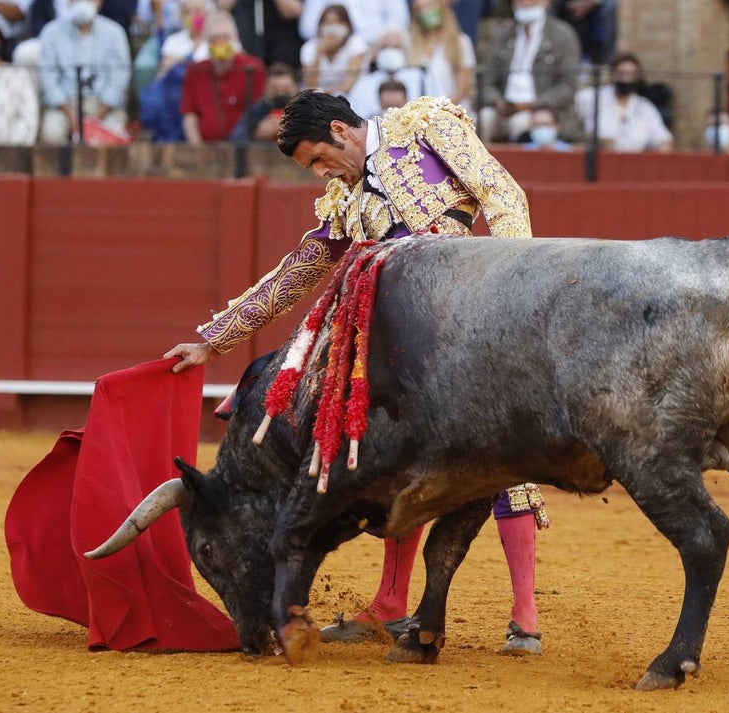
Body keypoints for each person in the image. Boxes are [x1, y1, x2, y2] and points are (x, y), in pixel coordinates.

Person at [163, 89, 546, 656]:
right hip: (398, 347)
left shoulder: (425, 127)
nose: (321, 173)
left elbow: (502, 193)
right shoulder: (344, 198)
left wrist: (513, 293)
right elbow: (299, 269)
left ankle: (525, 618)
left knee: (505, 457)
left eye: (319, 159)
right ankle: (391, 602)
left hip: (471, 321)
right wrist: (214, 340)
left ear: (342, 131)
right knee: (395, 463)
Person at [478, 0, 581, 143]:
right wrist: (497, 101)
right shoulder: (503, 34)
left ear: (546, 2)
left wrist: (539, 105)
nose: (525, 3)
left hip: (540, 108)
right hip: (503, 107)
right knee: (484, 118)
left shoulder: (563, 35)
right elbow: (487, 81)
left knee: (520, 123)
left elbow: (568, 85)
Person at [37, 0, 131, 144]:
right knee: (52, 135)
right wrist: (71, 117)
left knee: (107, 142)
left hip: (103, 105)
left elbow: (119, 80)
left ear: (100, 2)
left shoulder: (115, 32)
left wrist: (95, 120)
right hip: (65, 105)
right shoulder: (51, 32)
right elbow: (48, 80)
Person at [180, 10, 265, 144]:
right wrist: (197, 148)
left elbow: (259, 112)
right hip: (206, 148)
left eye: (225, 38)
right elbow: (189, 114)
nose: (220, 43)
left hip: (243, 148)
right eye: (214, 39)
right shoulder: (196, 70)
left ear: (234, 39)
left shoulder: (252, 68)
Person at [574, 51, 671, 152]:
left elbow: (664, 140)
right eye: (622, 74)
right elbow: (571, 130)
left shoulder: (645, 107)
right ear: (613, 75)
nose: (626, 79)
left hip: (633, 162)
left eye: (631, 74)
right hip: (598, 160)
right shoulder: (590, 97)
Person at [345, 29, 437, 121]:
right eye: (385, 47)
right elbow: (354, 117)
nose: (390, 51)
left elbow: (436, 109)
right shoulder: (365, 82)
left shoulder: (421, 77)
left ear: (405, 51)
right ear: (377, 52)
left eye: (396, 47)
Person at [407, 0, 475, 112]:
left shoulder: (461, 42)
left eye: (429, 5)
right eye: (419, 9)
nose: (425, 12)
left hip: (452, 111)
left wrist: (440, 110)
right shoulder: (411, 44)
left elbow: (463, 89)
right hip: (417, 114)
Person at [299, 4, 367, 95]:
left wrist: (323, 92)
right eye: (327, 23)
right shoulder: (309, 48)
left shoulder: (356, 44)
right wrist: (319, 53)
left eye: (338, 22)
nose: (332, 28)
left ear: (347, 25)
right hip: (318, 100)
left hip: (351, 97)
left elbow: (349, 85)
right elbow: (311, 84)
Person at [298, 0, 410, 47]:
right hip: (335, 49)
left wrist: (378, 45)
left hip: (377, 51)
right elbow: (307, 27)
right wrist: (334, 36)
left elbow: (399, 20)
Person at [241, 61, 297, 141]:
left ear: (295, 88)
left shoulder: (307, 110)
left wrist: (288, 127)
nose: (281, 94)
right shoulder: (256, 110)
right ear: (266, 89)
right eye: (275, 90)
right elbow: (240, 136)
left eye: (286, 90)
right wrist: (256, 132)